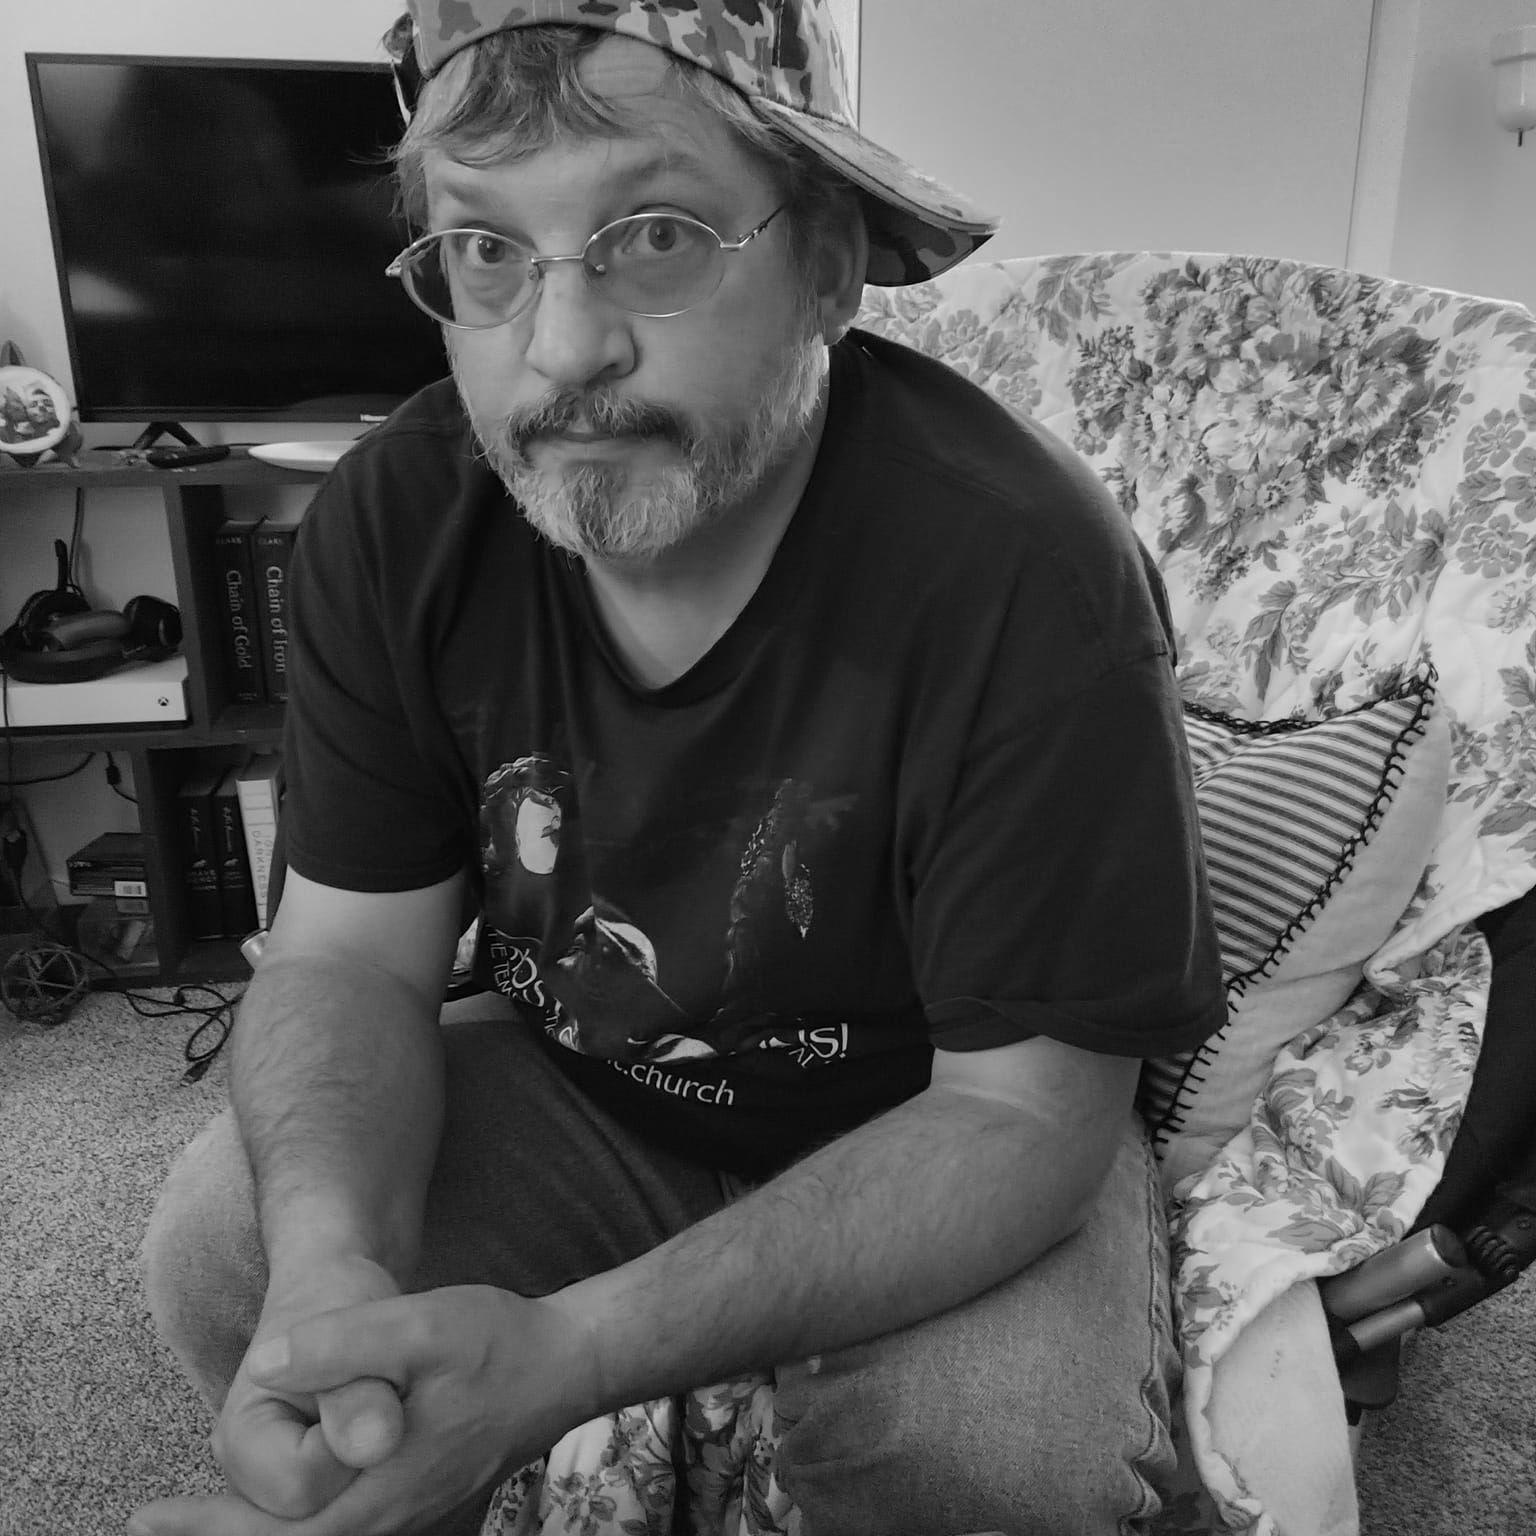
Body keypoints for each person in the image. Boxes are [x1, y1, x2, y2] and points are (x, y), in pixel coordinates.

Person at [132, 4, 1226, 1534]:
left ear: (826, 262)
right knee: (228, 1244)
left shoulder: (1027, 573)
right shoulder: (397, 519)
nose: (561, 350)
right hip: (595, 1090)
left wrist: (569, 1358)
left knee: (986, 1454)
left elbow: (1025, 1118)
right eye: (488, 251)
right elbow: (348, 958)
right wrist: (337, 1274)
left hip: (933, 1122)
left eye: (654, 235)